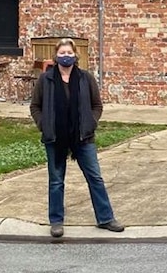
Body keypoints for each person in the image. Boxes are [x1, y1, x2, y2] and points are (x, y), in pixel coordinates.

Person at [29, 38, 125, 238]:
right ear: (56, 55)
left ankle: (106, 218)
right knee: (56, 181)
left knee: (95, 178)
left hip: (83, 137)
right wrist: (44, 125)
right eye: (62, 53)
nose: (66, 56)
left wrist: (91, 123)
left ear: (75, 55)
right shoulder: (45, 80)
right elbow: (35, 106)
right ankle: (56, 221)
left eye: (69, 53)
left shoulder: (85, 78)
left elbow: (96, 105)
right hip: (55, 138)